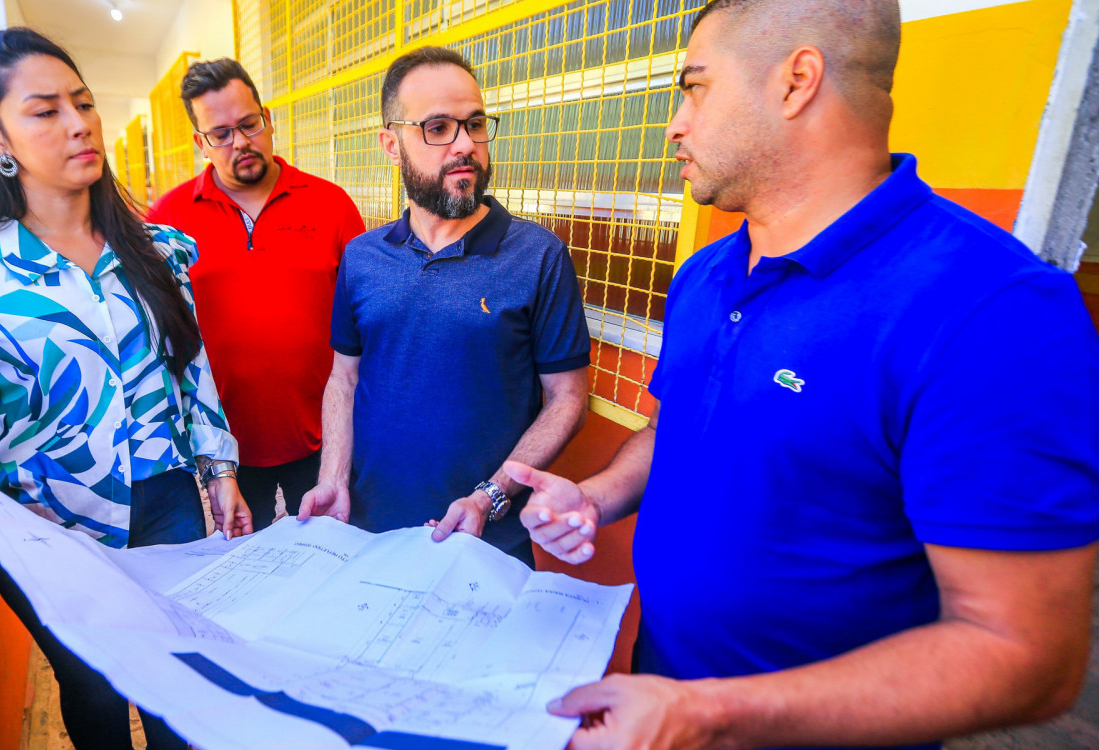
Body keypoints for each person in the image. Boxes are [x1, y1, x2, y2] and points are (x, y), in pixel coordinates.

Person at [510, 1, 1099, 748]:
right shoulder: (704, 276)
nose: (675, 125)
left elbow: (1029, 657)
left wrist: (714, 715)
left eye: (695, 88)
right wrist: (593, 498)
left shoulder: (987, 308)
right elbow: (676, 429)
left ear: (797, 81)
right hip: (655, 696)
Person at [0, 28, 252, 750]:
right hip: (47, 527)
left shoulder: (157, 250)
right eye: (45, 110)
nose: (78, 123)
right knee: (90, 688)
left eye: (82, 103)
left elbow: (189, 370)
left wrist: (219, 472)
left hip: (169, 510)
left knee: (179, 683)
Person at [297, 46, 591, 567]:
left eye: (474, 124)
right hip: (367, 531)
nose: (465, 145)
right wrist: (331, 479)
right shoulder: (363, 257)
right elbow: (344, 379)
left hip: (486, 545)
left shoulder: (539, 255)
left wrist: (490, 497)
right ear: (392, 144)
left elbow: (567, 399)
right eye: (437, 128)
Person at [147, 59, 365, 531]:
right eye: (221, 133)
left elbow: (363, 316)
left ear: (268, 119)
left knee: (329, 549)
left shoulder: (331, 204)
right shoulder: (167, 219)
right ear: (199, 143)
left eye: (249, 124)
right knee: (250, 562)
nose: (241, 142)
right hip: (229, 447)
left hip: (325, 437)